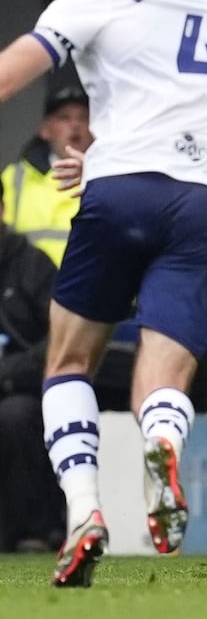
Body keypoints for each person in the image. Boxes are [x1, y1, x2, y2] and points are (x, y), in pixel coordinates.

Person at [0, 0, 207, 586]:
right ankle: (162, 438)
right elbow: (180, 104)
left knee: (68, 362)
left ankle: (84, 512)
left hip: (122, 193)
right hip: (204, 198)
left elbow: (17, 68)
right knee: (164, 373)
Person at [0, 181, 62, 553]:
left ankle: (31, 530)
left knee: (15, 416)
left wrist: (10, 370)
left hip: (27, 388)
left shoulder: (33, 264)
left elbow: (64, 338)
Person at [1, 85, 93, 266]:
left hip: (86, 289)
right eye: (64, 118)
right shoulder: (14, 177)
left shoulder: (110, 178)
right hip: (26, 289)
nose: (75, 125)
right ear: (45, 129)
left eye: (84, 118)